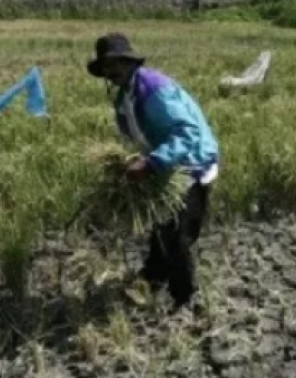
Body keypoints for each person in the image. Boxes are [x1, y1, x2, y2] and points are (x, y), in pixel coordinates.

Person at [87, 32, 220, 314]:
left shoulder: (153, 88)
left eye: (115, 64)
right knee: (160, 222)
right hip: (165, 163)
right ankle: (153, 275)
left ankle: (184, 296)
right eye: (106, 68)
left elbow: (187, 132)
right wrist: (132, 160)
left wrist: (150, 164)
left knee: (177, 234)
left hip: (192, 163)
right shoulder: (125, 95)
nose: (111, 72)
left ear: (129, 62)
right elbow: (139, 134)